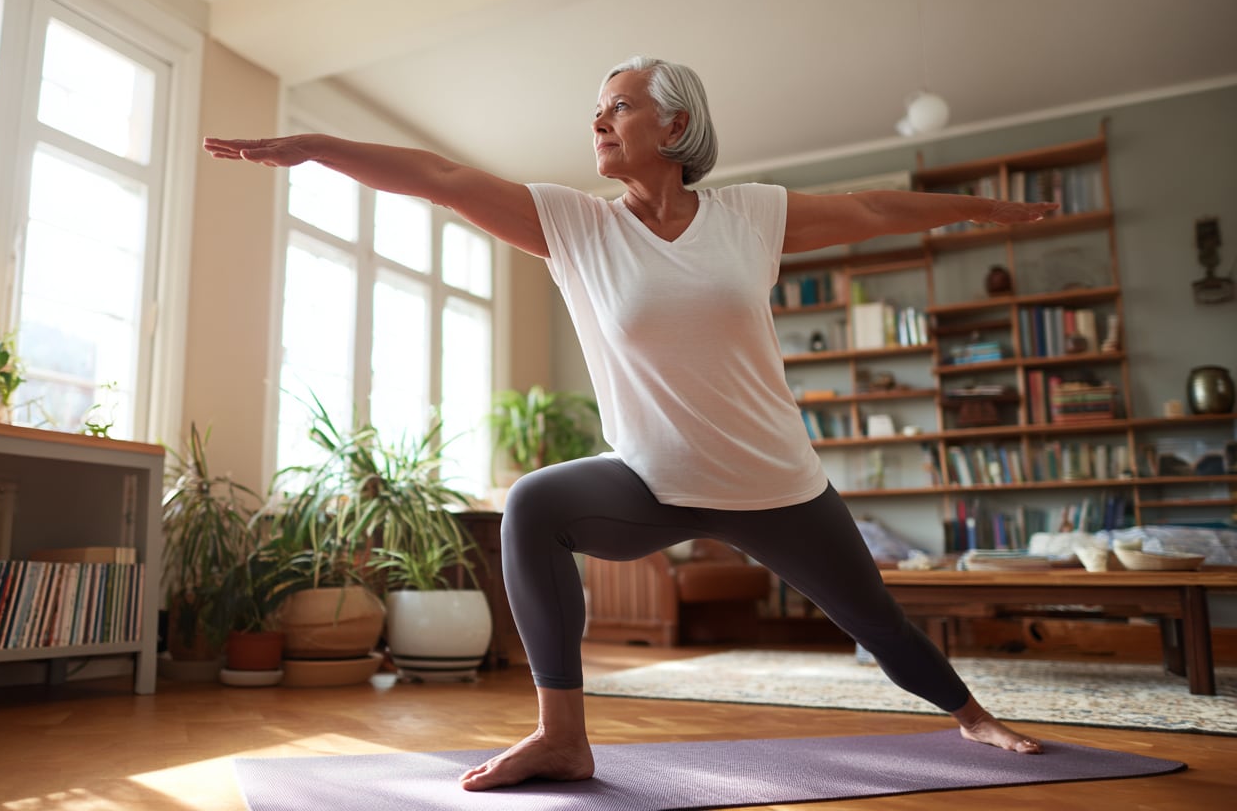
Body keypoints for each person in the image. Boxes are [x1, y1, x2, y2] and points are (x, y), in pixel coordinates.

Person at [205, 54, 1055, 792]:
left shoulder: (749, 217)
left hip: (777, 484)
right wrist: (314, 147)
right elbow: (442, 177)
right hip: (651, 480)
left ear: (675, 123)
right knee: (535, 502)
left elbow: (872, 213)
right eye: (598, 109)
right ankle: (562, 736)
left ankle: (972, 717)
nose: (598, 120)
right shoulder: (574, 226)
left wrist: (979, 212)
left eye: (619, 105)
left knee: (879, 624)